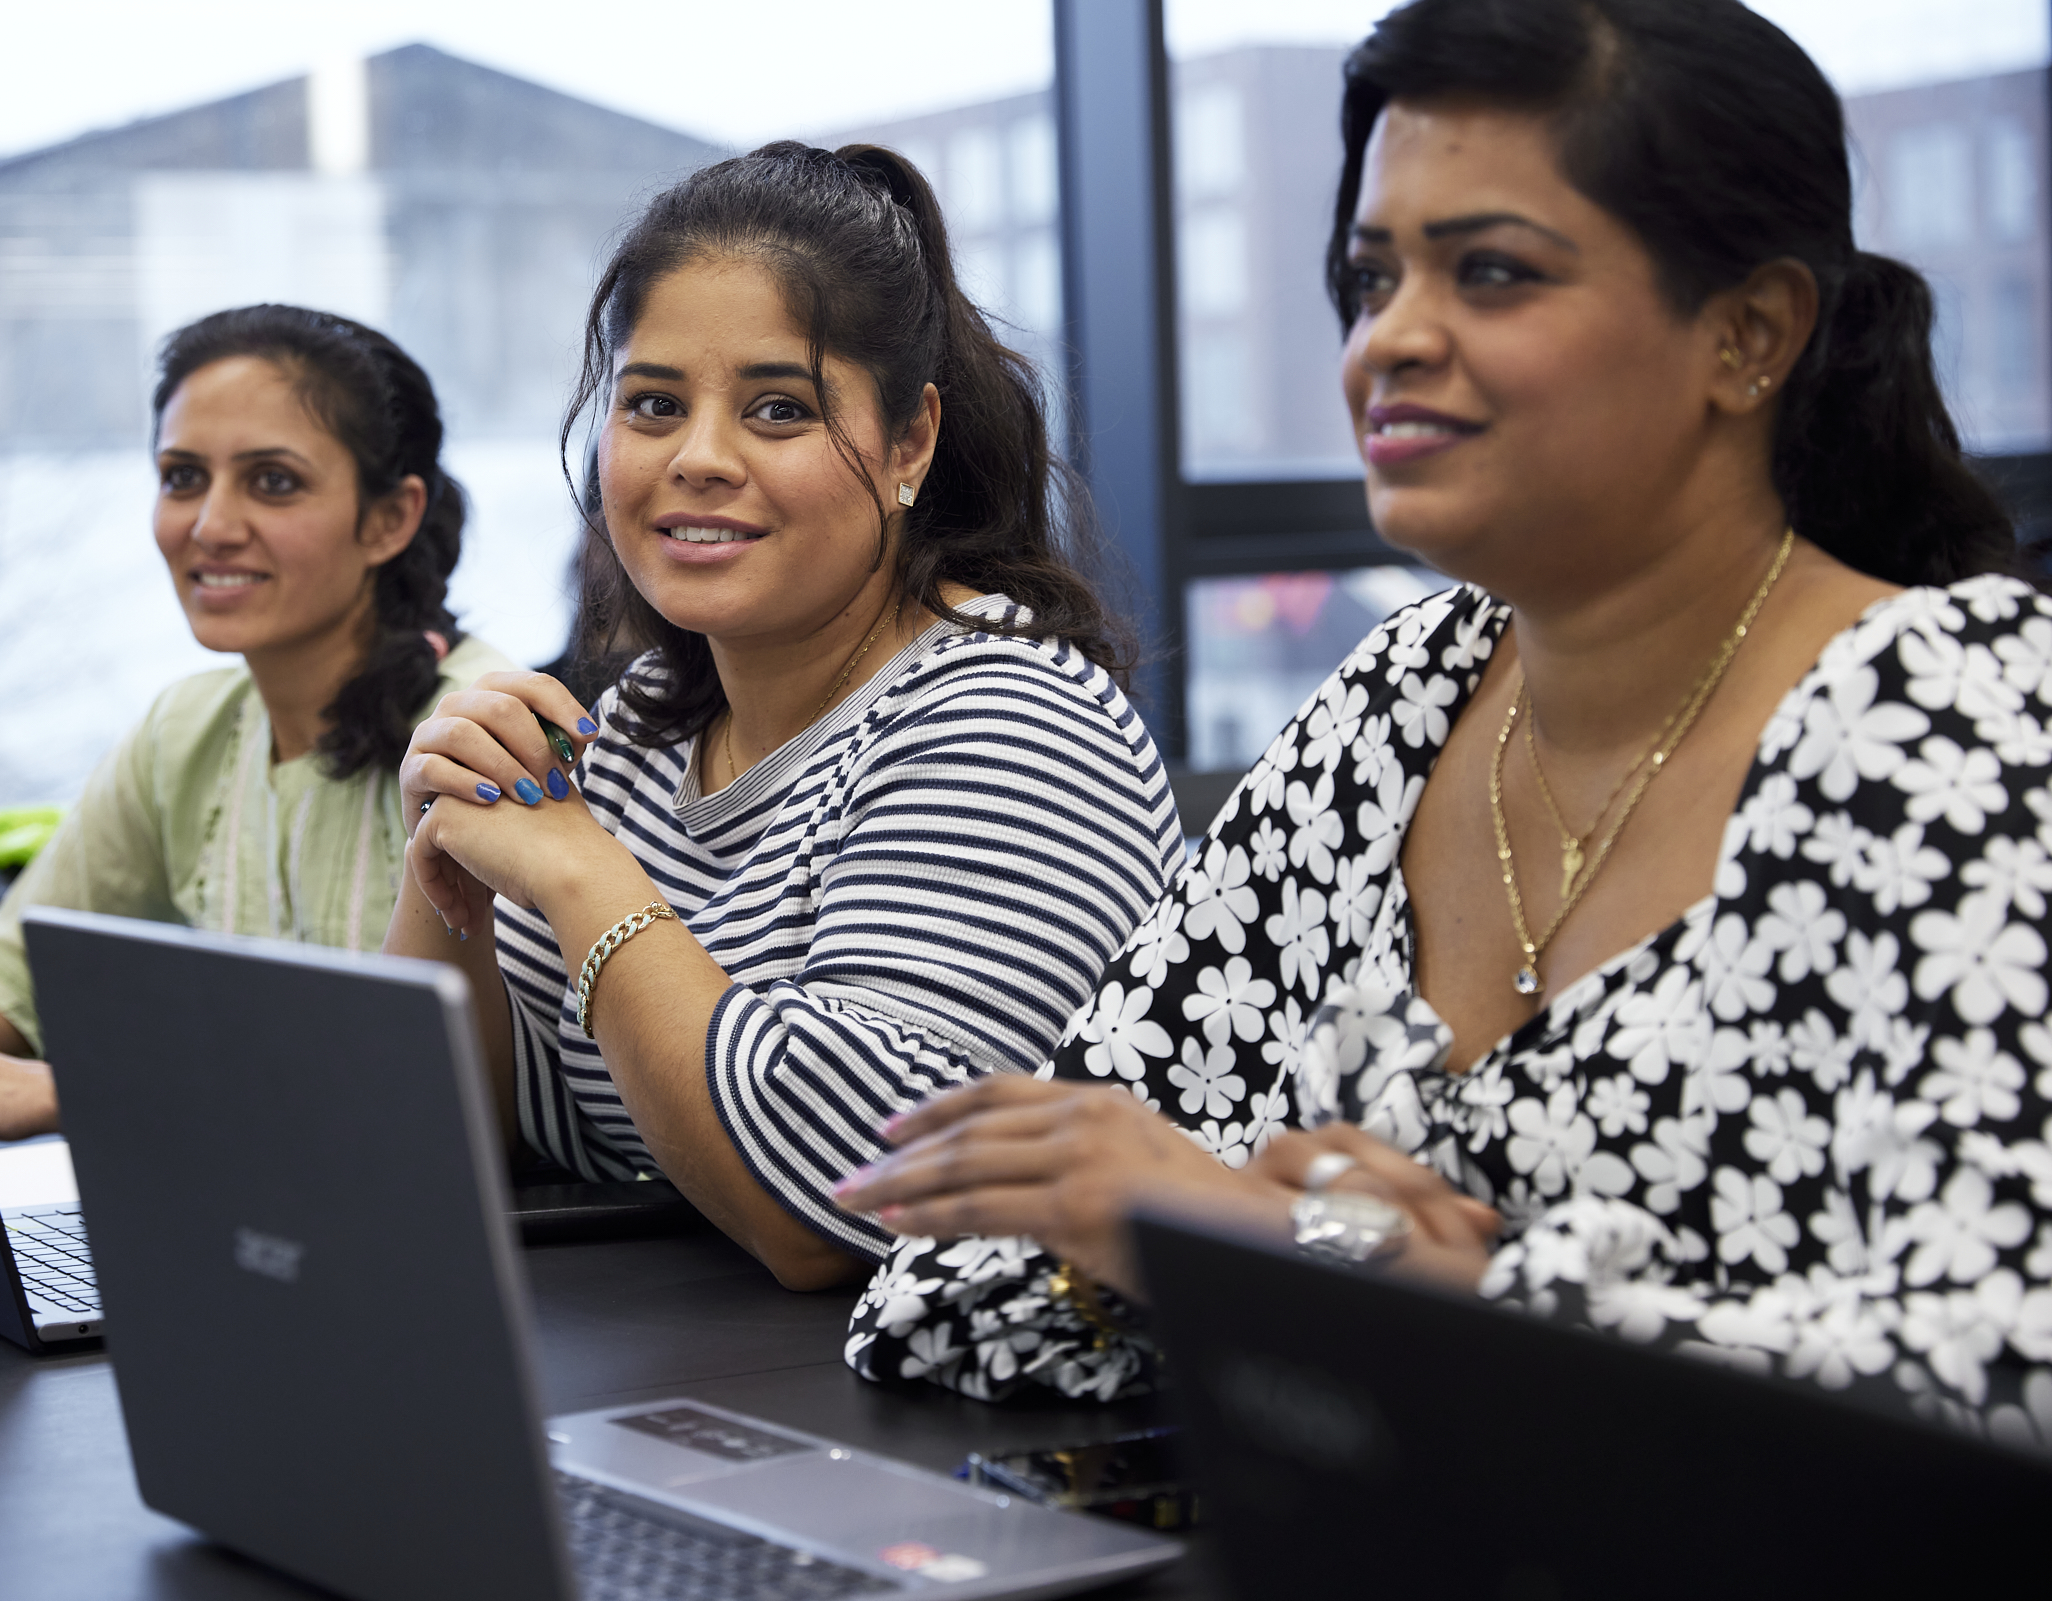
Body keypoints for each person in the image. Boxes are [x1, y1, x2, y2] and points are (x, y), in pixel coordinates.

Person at [834, 0, 2052, 1447]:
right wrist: (1285, 1243)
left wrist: (1358, 1263)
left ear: (1749, 334)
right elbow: (953, 1272)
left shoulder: (1955, 719)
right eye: (1371, 274)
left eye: (1491, 272)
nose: (1388, 341)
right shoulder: (1395, 705)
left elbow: (1995, 1383)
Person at [382, 143, 1182, 1291]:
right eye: (654, 403)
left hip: (937, 1439)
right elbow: (451, 1136)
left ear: (910, 442)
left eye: (778, 408)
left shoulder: (1011, 716)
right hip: (668, 1389)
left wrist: (578, 873)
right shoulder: (646, 722)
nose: (699, 459)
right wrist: (446, 844)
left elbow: (846, 1201)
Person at [0, 305, 515, 1137]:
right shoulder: (186, 730)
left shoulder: (473, 736)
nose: (210, 526)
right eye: (183, 477)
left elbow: (430, 1105)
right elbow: (4, 973)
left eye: (273, 481)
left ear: (390, 518)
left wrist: (65, 1092)